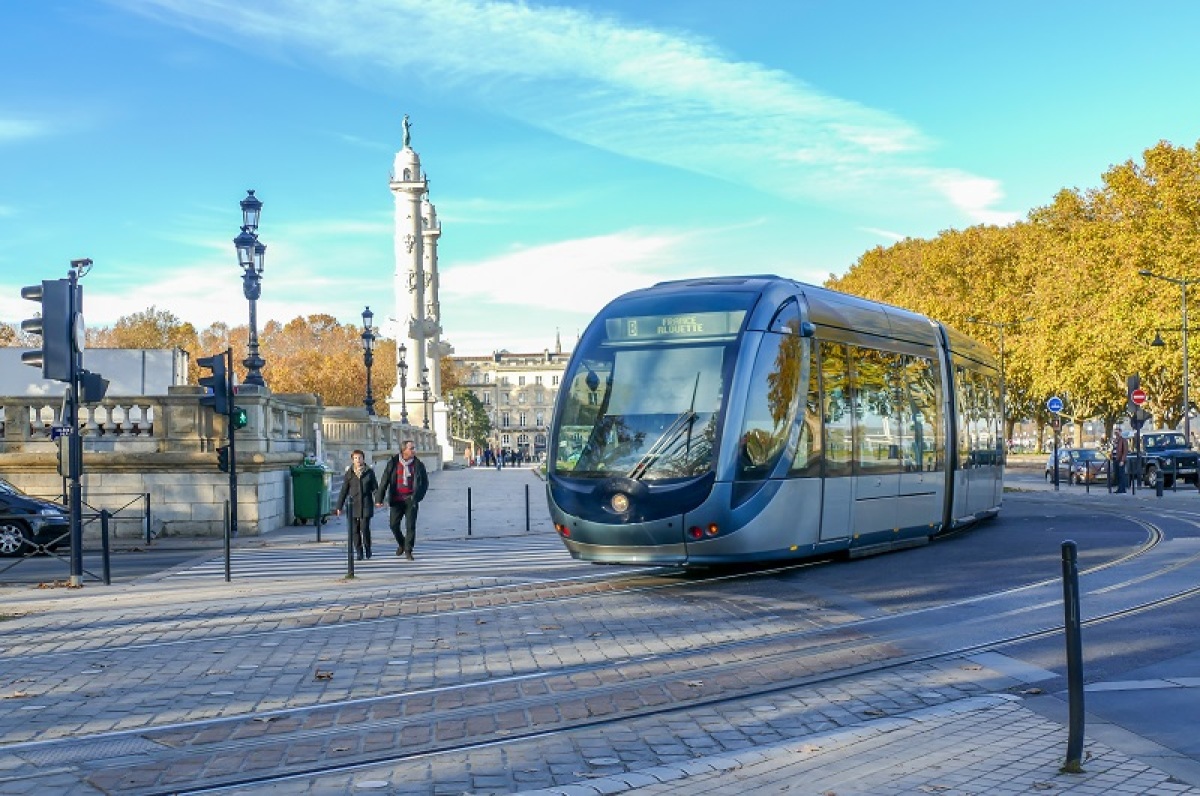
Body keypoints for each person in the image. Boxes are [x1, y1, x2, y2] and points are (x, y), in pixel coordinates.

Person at [377, 439, 428, 560]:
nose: (414, 451)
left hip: (411, 499)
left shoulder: (418, 464)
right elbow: (385, 480)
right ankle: (402, 543)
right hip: (396, 499)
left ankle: (409, 550)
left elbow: (424, 483)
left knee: (410, 526)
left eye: (414, 448)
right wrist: (379, 498)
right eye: (411, 448)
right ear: (404, 450)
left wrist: (417, 497)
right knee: (393, 525)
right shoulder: (393, 463)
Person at [334, 450, 379, 560]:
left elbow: (375, 488)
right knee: (354, 530)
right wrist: (339, 507)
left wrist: (378, 500)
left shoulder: (369, 472)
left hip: (366, 503)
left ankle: (368, 547)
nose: (358, 460)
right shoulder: (349, 474)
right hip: (353, 504)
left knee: (364, 528)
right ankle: (359, 551)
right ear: (352, 460)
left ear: (363, 459)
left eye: (360, 458)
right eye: (355, 458)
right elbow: (344, 490)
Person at [1112, 427, 1129, 493]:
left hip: (1120, 459)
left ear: (1120, 432)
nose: (1116, 433)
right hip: (1115, 459)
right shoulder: (1115, 440)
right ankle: (1119, 488)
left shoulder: (1123, 440)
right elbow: (1113, 449)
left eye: (1117, 432)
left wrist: (1122, 460)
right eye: (1115, 432)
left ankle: (1122, 489)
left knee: (1121, 474)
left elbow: (1125, 451)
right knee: (1117, 474)